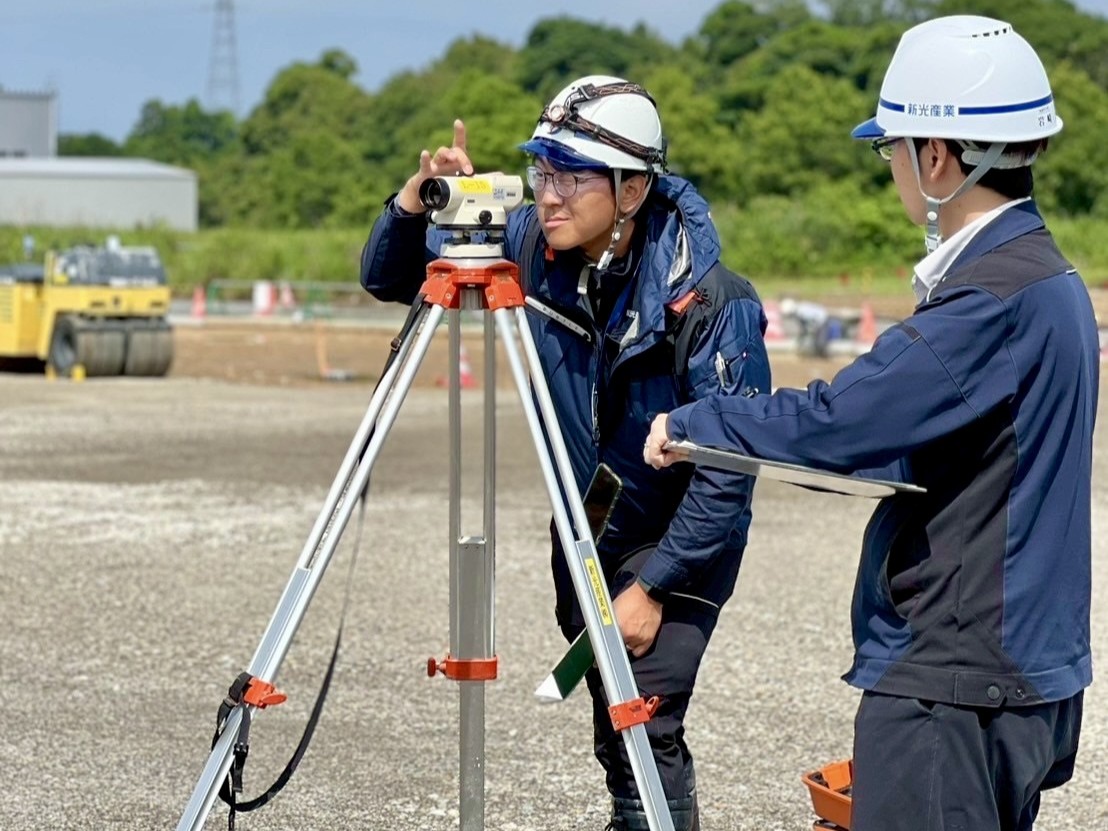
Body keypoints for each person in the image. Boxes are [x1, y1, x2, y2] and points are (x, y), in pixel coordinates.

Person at [645, 15, 1096, 831]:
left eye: (890, 149)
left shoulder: (984, 301)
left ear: (936, 156)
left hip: (952, 682)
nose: (891, 168)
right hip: (1019, 669)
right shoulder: (1052, 283)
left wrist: (698, 418)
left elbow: (840, 419)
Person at [361, 75, 771, 830]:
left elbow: (728, 471)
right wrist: (419, 198)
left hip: (679, 535)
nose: (548, 196)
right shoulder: (532, 243)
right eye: (542, 172)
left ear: (632, 188)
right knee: (612, 721)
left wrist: (655, 584)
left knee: (645, 711)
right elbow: (385, 278)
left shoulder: (714, 302)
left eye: (571, 176)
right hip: (587, 524)